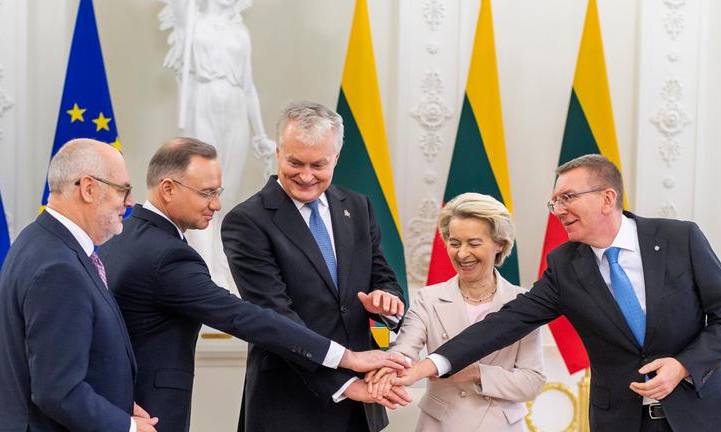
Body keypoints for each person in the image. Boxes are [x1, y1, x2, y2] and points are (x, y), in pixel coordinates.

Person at [391, 154, 721, 432]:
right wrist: (430, 364)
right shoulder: (564, 265)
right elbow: (506, 322)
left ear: (607, 198)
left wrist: (683, 366)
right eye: (554, 202)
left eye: (567, 198)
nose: (558, 210)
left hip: (700, 412)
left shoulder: (679, 239)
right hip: (620, 420)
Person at [98, 137, 405, 432]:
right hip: (148, 411)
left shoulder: (124, 236)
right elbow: (247, 317)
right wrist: (347, 358)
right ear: (168, 189)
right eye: (206, 193)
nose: (216, 204)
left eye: (217, 192)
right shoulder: (168, 255)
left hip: (123, 399)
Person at [222, 101, 410, 432]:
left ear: (336, 158)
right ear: (278, 152)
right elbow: (275, 316)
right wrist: (343, 383)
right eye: (295, 162)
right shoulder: (247, 221)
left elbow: (383, 276)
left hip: (361, 409)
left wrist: (387, 300)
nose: (306, 176)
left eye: (318, 165)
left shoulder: (358, 206)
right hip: (289, 404)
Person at [0, 139, 158, 432]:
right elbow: (57, 390)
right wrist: (128, 427)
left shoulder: (40, 239)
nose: (129, 202)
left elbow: (66, 358)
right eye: (123, 189)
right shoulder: (58, 268)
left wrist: (119, 402)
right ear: (88, 188)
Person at [369, 193, 545, 431]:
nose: (462, 254)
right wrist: (388, 372)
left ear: (499, 244)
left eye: (473, 243)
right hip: (439, 425)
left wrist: (476, 372)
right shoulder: (428, 298)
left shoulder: (522, 302)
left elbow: (532, 382)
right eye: (454, 243)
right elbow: (404, 352)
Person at [159, 0, 276, 288]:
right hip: (204, 99)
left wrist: (260, 134)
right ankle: (206, 271)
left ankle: (220, 265)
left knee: (227, 190)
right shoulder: (192, 20)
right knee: (201, 191)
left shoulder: (240, 32)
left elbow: (249, 87)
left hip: (235, 106)